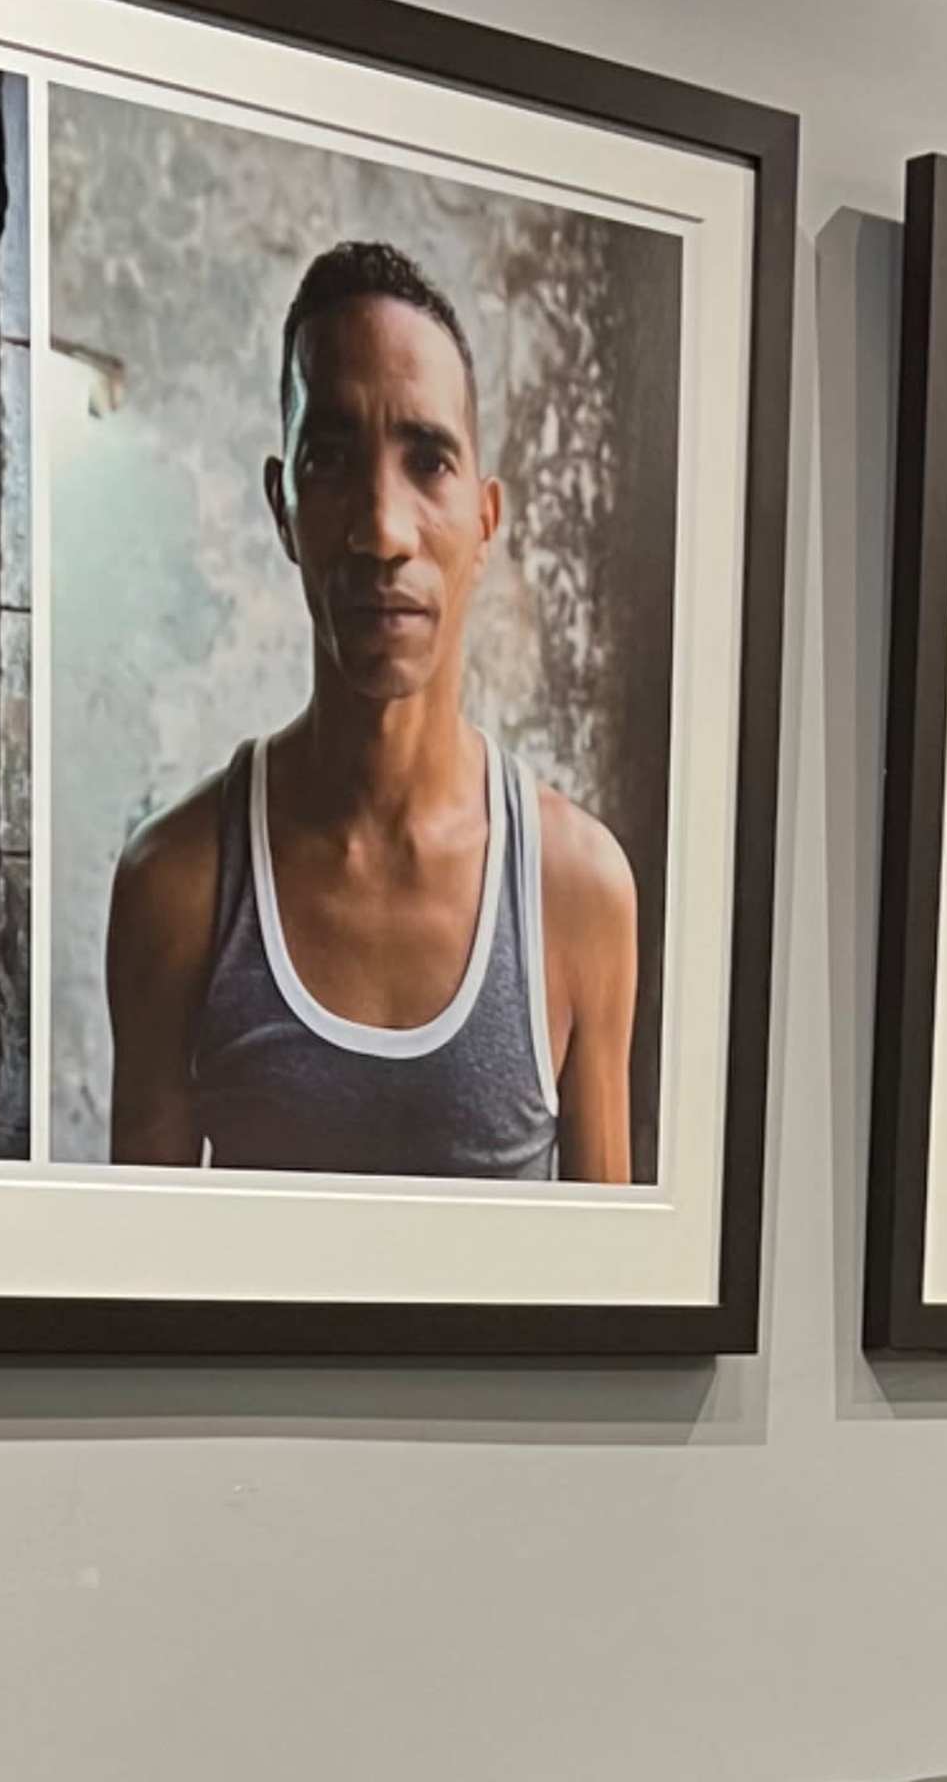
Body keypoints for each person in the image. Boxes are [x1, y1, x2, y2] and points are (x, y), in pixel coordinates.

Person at [105, 239, 638, 1182]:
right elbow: (141, 1310)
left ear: (485, 518)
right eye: (332, 461)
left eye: (427, 461)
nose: (382, 529)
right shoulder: (178, 885)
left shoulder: (578, 886)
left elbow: (616, 1314)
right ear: (283, 508)